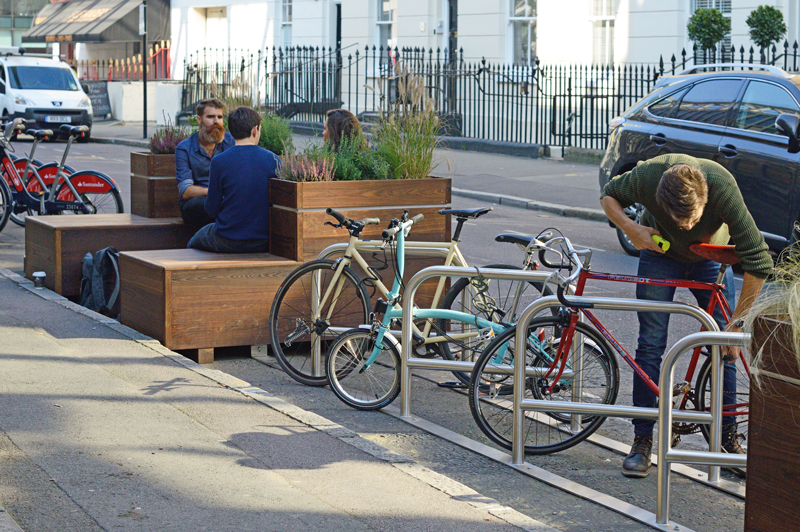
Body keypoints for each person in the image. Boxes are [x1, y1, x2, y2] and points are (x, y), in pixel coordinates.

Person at [600, 153, 773, 479]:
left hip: (710, 256)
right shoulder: (647, 177)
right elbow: (608, 194)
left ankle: (726, 439)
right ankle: (642, 438)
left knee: (725, 348)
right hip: (659, 253)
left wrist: (737, 323)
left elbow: (760, 261)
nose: (688, 227)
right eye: (681, 222)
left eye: (693, 220)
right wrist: (630, 227)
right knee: (650, 343)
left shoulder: (722, 187)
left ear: (705, 200)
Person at [187, 107, 279, 253]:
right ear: (255, 130)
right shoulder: (273, 159)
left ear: (231, 131)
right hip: (263, 239)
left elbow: (211, 209)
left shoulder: (219, 162)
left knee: (194, 240)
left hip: (228, 238)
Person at [175, 98, 235, 228]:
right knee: (203, 203)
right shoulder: (184, 148)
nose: (216, 122)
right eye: (210, 117)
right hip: (198, 204)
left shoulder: (231, 142)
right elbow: (185, 191)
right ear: (199, 119)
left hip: (226, 199)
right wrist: (215, 192)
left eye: (220, 117)